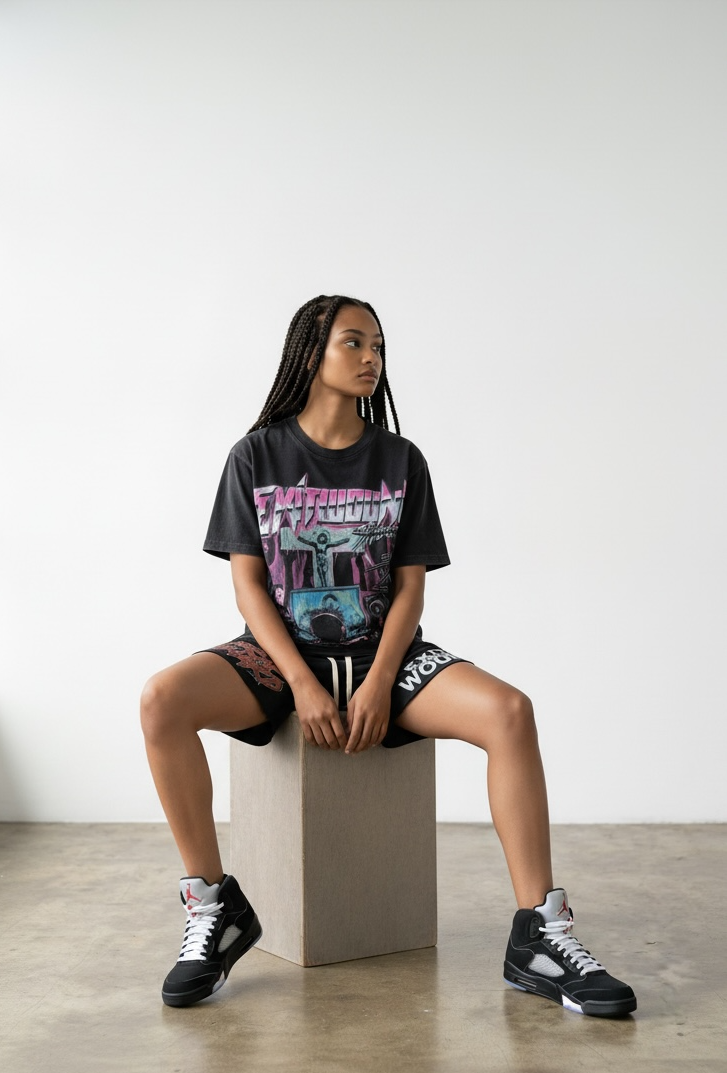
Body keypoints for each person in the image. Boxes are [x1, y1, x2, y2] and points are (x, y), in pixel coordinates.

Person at [140, 294, 637, 1019]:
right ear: (310, 353)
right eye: (354, 343)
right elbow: (248, 586)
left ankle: (540, 935)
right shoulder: (256, 456)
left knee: (510, 712)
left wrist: (376, 682)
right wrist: (303, 682)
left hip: (385, 653)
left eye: (378, 346)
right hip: (280, 654)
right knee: (161, 700)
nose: (371, 358)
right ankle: (215, 908)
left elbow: (409, 590)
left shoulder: (400, 460)